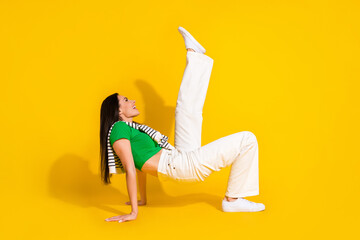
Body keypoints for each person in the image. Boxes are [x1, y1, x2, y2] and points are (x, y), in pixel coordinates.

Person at [100, 26, 265, 223]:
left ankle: (194, 56)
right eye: (126, 100)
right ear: (117, 111)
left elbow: (138, 167)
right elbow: (129, 168)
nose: (132, 101)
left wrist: (142, 199)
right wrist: (134, 212)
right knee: (247, 139)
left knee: (187, 111)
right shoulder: (119, 129)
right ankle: (233, 199)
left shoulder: (131, 129)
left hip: (177, 157)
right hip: (180, 166)